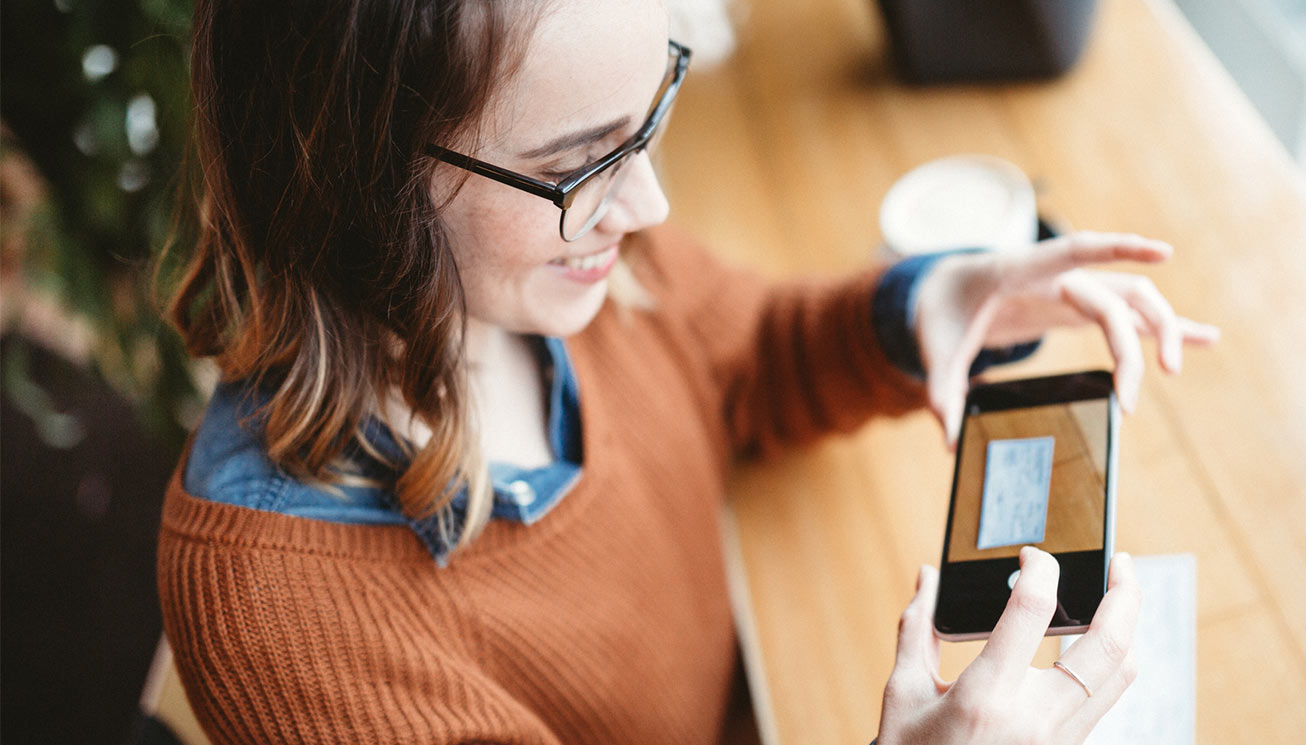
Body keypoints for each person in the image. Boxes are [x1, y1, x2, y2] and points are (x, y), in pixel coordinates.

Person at [157, 0, 1219, 743]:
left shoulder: (559, 264)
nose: (650, 207)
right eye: (577, 164)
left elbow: (742, 356)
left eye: (649, 116)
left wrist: (919, 308)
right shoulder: (282, 620)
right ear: (350, 173)